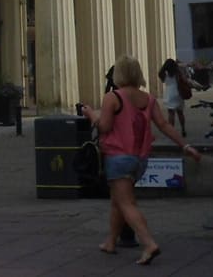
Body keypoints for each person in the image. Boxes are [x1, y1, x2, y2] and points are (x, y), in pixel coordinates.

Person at [83, 55, 201, 266]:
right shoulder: (148, 99)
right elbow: (164, 125)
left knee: (126, 203)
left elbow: (104, 127)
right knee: (118, 200)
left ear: (118, 74)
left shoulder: (113, 97)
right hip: (140, 159)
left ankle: (148, 244)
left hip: (118, 157)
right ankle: (110, 241)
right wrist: (186, 146)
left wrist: (91, 114)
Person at [157, 57, 188, 137]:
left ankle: (172, 131)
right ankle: (183, 129)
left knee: (171, 114)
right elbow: (184, 80)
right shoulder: (177, 72)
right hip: (178, 92)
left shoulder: (163, 73)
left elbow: (163, 81)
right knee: (180, 113)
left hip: (169, 93)